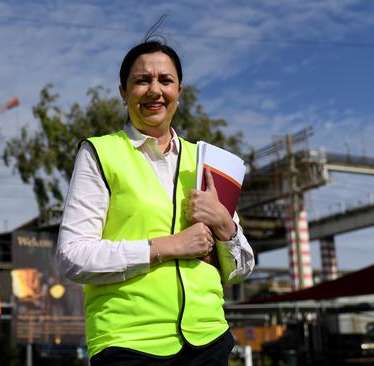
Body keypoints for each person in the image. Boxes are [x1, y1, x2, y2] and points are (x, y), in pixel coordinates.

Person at [56, 40, 255, 366]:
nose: (154, 90)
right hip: (129, 344)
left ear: (179, 90)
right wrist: (168, 246)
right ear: (123, 92)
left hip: (210, 342)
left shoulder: (205, 161)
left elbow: (240, 270)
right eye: (141, 80)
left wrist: (224, 224)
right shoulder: (100, 154)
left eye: (165, 80)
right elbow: (73, 257)